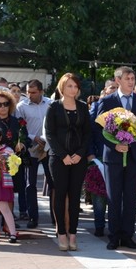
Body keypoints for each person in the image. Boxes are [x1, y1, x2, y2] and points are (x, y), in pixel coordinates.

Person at [94, 66, 136, 250]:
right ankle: (114, 236)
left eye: (133, 78)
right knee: (114, 197)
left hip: (134, 157)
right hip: (113, 157)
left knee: (131, 198)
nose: (131, 81)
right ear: (118, 80)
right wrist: (114, 145)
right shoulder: (108, 100)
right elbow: (98, 130)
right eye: (128, 78)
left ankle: (128, 235)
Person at [44, 73, 92, 251]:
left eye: (75, 86)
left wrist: (80, 154)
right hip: (58, 159)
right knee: (60, 194)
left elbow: (87, 133)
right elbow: (50, 133)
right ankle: (61, 234)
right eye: (69, 86)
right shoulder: (53, 107)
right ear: (62, 87)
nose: (73, 89)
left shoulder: (82, 107)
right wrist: (63, 155)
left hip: (78, 159)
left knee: (74, 197)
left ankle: (73, 234)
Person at [0, 88, 31, 234]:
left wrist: (22, 145)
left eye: (5, 104)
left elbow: (26, 139)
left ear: (11, 104)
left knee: (8, 196)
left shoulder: (18, 122)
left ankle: (8, 226)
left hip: (13, 164)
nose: (2, 107)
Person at [15, 79, 52, 229]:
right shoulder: (21, 106)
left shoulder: (50, 103)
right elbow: (19, 128)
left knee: (53, 183)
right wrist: (32, 137)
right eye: (28, 92)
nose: (30, 95)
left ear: (41, 92)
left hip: (48, 148)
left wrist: (45, 139)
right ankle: (33, 217)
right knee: (30, 184)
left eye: (33, 92)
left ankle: (55, 217)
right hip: (31, 150)